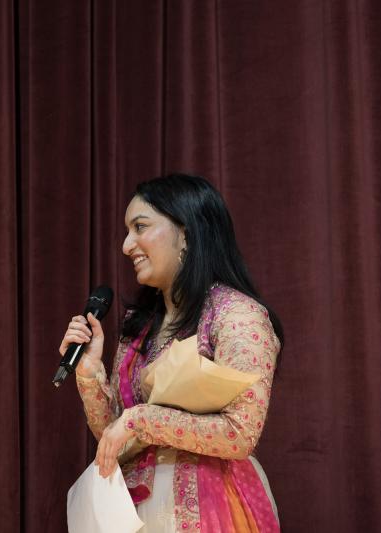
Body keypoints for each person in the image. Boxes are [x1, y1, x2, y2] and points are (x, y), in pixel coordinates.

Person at [60, 174, 283, 532]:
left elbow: (241, 435)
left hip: (210, 509)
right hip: (131, 509)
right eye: (127, 230)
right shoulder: (140, 324)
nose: (126, 245)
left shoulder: (237, 315)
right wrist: (88, 372)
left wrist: (142, 420)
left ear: (187, 233)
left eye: (140, 227)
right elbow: (114, 439)